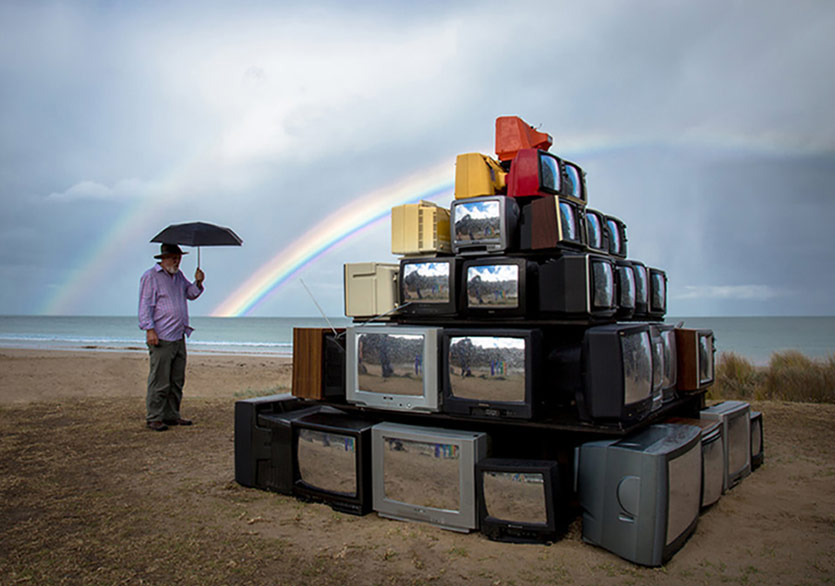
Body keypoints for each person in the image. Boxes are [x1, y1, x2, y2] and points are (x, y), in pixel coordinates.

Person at [138, 243, 205, 431]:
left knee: (176, 379)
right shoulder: (151, 276)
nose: (177, 260)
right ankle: (154, 417)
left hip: (178, 335)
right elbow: (145, 306)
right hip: (161, 337)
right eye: (174, 257)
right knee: (160, 380)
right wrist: (149, 330)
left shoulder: (178, 276)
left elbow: (191, 294)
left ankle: (172, 415)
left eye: (179, 257)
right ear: (163, 258)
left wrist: (198, 282)